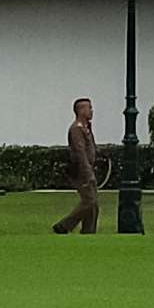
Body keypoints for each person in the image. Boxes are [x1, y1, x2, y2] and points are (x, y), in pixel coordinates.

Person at [52, 95, 100, 234]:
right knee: (89, 202)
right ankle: (64, 225)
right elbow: (80, 153)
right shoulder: (76, 129)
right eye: (88, 108)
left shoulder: (86, 128)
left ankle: (88, 231)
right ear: (80, 110)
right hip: (81, 171)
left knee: (93, 204)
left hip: (87, 169)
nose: (92, 111)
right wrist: (88, 173)